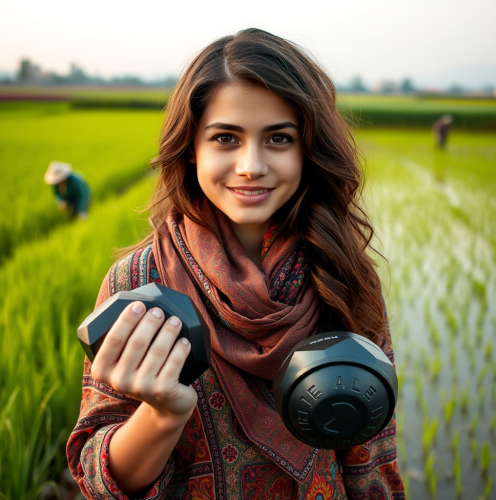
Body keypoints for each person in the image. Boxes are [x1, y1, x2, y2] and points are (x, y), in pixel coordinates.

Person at [67, 29, 405, 499]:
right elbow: (99, 479)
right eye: (226, 137)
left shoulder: (341, 272)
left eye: (279, 139)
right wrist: (162, 413)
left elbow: (373, 456)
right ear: (191, 149)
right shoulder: (140, 281)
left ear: (307, 150)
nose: (251, 165)